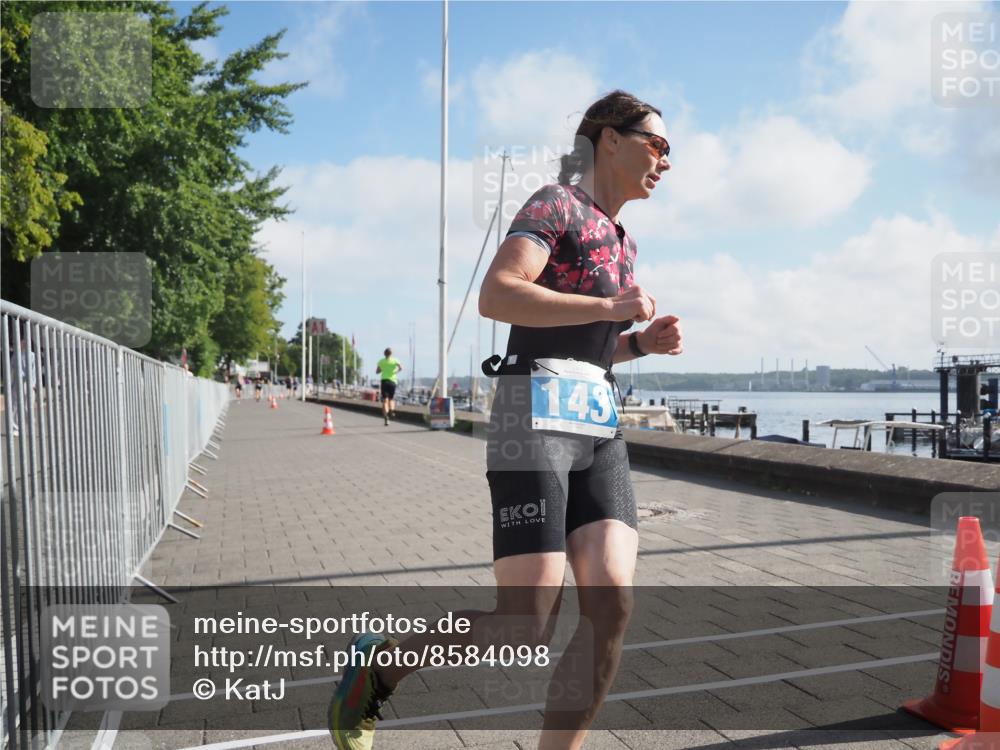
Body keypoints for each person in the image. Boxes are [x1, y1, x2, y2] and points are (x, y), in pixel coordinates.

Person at [328, 90, 683, 750]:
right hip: (529, 414)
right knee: (527, 626)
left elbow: (587, 343)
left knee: (612, 607)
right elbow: (499, 293)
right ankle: (381, 664)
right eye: (657, 145)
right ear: (609, 138)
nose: (666, 161)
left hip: (596, 421)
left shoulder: (623, 240)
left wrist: (638, 343)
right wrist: (612, 312)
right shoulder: (556, 203)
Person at [375, 347, 403, 426]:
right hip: (393, 381)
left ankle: (386, 417)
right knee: (391, 399)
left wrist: (383, 369)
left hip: (384, 381)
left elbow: (377, 372)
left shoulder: (381, 361)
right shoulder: (395, 360)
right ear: (391, 354)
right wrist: (395, 371)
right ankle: (392, 410)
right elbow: (401, 368)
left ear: (384, 354)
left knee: (385, 400)